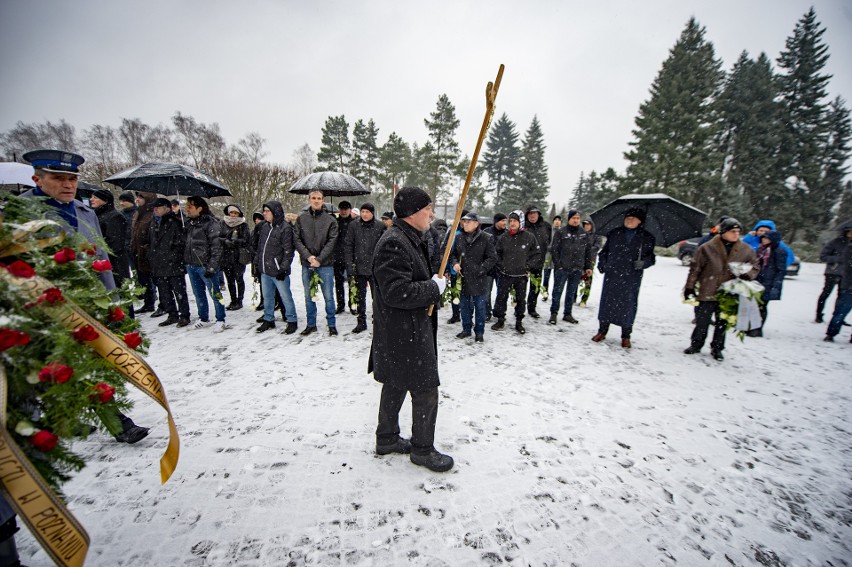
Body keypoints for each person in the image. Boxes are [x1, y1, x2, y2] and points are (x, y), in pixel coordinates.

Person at [21, 149, 149, 442]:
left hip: (89, 305)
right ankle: (68, 419)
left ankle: (114, 421)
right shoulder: (20, 213)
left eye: (72, 179)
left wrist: (111, 302)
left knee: (93, 365)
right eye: (58, 178)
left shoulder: (84, 211)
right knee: (53, 370)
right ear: (37, 179)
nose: (68, 185)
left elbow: (100, 258)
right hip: (45, 309)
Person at [370, 186, 453, 472]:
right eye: (428, 208)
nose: (432, 214)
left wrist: (432, 280)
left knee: (395, 382)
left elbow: (409, 277)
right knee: (425, 389)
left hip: (402, 331)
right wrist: (433, 287)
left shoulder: (410, 237)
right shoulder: (394, 241)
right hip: (405, 332)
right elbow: (396, 292)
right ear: (413, 213)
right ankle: (422, 450)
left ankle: (387, 438)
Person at [683, 218, 758, 359]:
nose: (736, 234)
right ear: (723, 232)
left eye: (738, 232)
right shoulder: (707, 247)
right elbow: (695, 268)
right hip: (708, 288)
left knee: (723, 322)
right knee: (702, 320)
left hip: (729, 292)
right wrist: (689, 287)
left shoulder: (745, 249)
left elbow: (755, 265)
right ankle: (696, 344)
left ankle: (717, 348)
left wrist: (748, 275)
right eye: (732, 231)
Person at [591, 209, 656, 349]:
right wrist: (602, 264)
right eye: (627, 217)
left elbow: (651, 258)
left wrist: (644, 263)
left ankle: (626, 335)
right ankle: (602, 331)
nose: (629, 220)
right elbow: (604, 253)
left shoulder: (646, 237)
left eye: (633, 218)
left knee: (628, 305)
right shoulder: (615, 233)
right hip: (612, 274)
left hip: (631, 277)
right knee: (607, 303)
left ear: (640, 221)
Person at [294, 189, 339, 336]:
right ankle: (311, 324)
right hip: (308, 264)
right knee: (309, 297)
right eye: (313, 198)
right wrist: (309, 257)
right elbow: (297, 239)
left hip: (325, 265)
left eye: (319, 198)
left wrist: (319, 259)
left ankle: (331, 324)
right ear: (309, 200)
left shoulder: (330, 220)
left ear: (323, 200)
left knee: (328, 296)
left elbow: (332, 242)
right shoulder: (301, 219)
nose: (316, 200)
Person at [183, 196, 230, 332]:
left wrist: (212, 266)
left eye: (190, 207)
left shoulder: (211, 224)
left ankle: (221, 319)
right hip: (192, 264)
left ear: (200, 208)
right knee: (198, 294)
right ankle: (203, 318)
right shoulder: (189, 224)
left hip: (206, 265)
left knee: (215, 294)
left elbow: (217, 247)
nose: (187, 209)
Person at [449, 212, 497, 342]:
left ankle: (479, 332)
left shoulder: (486, 238)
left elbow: (492, 258)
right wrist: (455, 263)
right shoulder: (459, 237)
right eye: (464, 221)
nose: (465, 224)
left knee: (480, 307)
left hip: (479, 278)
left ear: (477, 224)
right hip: (463, 277)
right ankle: (466, 329)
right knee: (464, 306)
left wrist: (482, 269)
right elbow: (453, 254)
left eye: (468, 221)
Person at [491, 210, 541, 334]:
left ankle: (519, 322)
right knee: (501, 298)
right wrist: (501, 266)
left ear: (521, 222)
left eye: (515, 221)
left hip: (521, 276)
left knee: (520, 299)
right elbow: (497, 253)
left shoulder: (529, 237)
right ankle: (500, 320)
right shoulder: (504, 237)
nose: (512, 223)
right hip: (505, 274)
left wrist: (527, 266)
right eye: (510, 221)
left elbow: (537, 254)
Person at [255, 201, 299, 334]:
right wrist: (258, 263)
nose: (264, 213)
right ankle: (268, 319)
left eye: (267, 211)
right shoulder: (264, 227)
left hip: (279, 271)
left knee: (285, 297)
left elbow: (288, 251)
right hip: (265, 270)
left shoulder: (285, 228)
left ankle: (292, 320)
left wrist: (284, 268)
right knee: (267, 297)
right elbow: (260, 247)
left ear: (275, 212)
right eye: (264, 211)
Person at [148, 197, 191, 327]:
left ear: (166, 208)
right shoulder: (153, 223)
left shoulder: (176, 222)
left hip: (173, 263)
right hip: (158, 263)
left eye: (158, 208)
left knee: (179, 292)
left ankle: (184, 315)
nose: (155, 210)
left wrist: (174, 255)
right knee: (165, 292)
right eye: (154, 208)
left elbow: (182, 243)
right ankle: (172, 314)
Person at [344, 202, 385, 333]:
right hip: (359, 268)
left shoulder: (379, 226)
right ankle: (361, 321)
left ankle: (378, 320)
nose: (365, 214)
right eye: (363, 212)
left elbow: (384, 247)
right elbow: (349, 246)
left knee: (377, 298)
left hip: (375, 269)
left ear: (372, 213)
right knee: (360, 297)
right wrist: (350, 265)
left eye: (368, 212)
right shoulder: (354, 226)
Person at [548, 210, 594, 325]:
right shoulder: (561, 232)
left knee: (571, 292)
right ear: (569, 219)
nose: (576, 220)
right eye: (573, 218)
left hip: (577, 268)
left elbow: (588, 251)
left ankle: (567, 314)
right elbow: (555, 249)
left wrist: (588, 266)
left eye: (578, 218)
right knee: (557, 291)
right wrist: (558, 265)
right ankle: (554, 313)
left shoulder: (584, 233)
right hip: (562, 268)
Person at [89, 188, 131, 289]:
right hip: (103, 263)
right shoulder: (96, 215)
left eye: (95, 197)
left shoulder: (115, 217)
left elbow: (115, 244)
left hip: (115, 265)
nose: (91, 199)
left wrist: (97, 251)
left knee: (120, 297)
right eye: (91, 197)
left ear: (105, 200)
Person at [749, 230, 787, 337]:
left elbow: (781, 270)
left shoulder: (779, 251)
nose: (764, 240)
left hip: (769, 283)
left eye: (766, 238)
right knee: (754, 305)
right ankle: (752, 326)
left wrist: (776, 285)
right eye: (763, 238)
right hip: (758, 281)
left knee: (762, 306)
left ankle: (757, 328)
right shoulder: (762, 249)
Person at [131, 191, 160, 315]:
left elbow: (154, 235)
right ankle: (148, 303)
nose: (137, 199)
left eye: (140, 197)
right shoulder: (138, 214)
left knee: (157, 281)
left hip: (149, 254)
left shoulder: (152, 215)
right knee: (144, 280)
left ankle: (164, 304)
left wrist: (148, 248)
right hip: (138, 253)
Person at [823, 226, 852, 342]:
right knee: (841, 309)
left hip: (846, 281)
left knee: (841, 307)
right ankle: (831, 332)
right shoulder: (847, 247)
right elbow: (847, 265)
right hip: (847, 282)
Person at [220, 204, 251, 311]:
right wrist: (225, 241)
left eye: (235, 213)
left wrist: (236, 241)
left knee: (239, 279)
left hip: (238, 256)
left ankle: (240, 300)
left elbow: (247, 240)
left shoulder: (243, 225)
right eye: (231, 213)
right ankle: (233, 300)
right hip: (226, 256)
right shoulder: (222, 224)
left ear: (239, 214)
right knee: (230, 280)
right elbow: (218, 237)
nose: (233, 215)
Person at [523, 205, 551, 318]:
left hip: (539, 261)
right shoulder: (523, 226)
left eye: (535, 213)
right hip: (524, 262)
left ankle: (532, 308)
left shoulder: (546, 226)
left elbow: (548, 242)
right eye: (530, 213)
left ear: (539, 214)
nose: (532, 216)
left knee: (535, 287)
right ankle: (519, 308)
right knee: (521, 287)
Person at [816, 226, 848, 323]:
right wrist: (838, 259)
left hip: (847, 274)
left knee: (842, 297)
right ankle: (819, 314)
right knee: (826, 293)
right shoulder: (836, 242)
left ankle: (838, 317)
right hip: (833, 272)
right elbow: (823, 256)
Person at [483, 213, 507, 321]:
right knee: (486, 293)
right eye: (502, 221)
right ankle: (487, 313)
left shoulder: (507, 234)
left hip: (501, 269)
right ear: (496, 221)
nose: (505, 223)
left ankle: (498, 312)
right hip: (488, 268)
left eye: (505, 221)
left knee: (501, 293)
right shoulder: (487, 232)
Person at [333, 200, 355, 314]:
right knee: (338, 282)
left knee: (352, 281)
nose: (343, 211)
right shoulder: (335, 222)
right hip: (337, 256)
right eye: (342, 209)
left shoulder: (355, 222)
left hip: (350, 256)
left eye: (346, 209)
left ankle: (353, 304)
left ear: (350, 210)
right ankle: (340, 304)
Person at [577, 219, 603, 307]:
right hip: (579, 260)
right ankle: (573, 297)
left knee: (587, 281)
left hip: (590, 260)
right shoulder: (581, 234)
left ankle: (584, 299)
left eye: (588, 225)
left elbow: (597, 246)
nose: (587, 226)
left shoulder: (596, 236)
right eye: (585, 225)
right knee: (576, 278)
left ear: (592, 226)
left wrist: (587, 250)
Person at [542, 215, 562, 298]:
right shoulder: (549, 230)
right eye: (555, 220)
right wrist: (550, 248)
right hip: (548, 256)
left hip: (558, 257)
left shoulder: (562, 231)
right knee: (546, 275)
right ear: (553, 221)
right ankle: (545, 293)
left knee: (557, 277)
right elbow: (545, 241)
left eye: (559, 220)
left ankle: (555, 294)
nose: (557, 221)